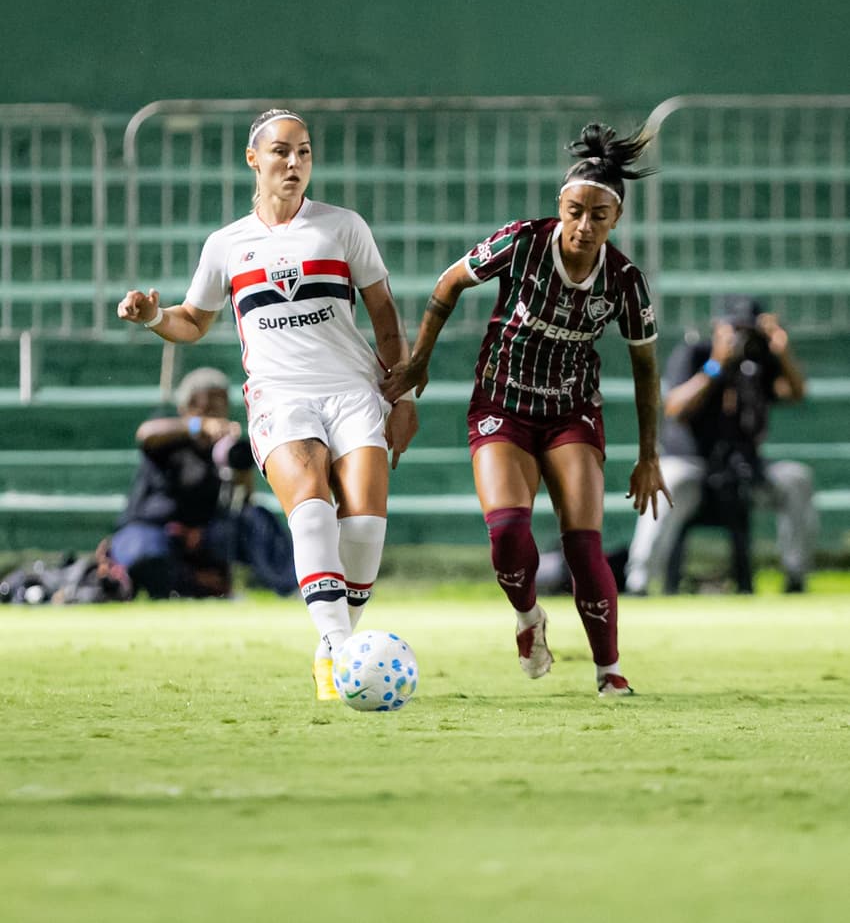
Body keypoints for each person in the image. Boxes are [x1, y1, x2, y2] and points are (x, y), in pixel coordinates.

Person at [117, 109, 418, 699]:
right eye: (282, 151)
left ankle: (335, 642)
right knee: (311, 510)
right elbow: (193, 320)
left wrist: (401, 396)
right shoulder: (227, 244)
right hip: (281, 397)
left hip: (354, 391)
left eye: (304, 152)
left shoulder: (343, 227)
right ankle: (338, 653)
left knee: (363, 527)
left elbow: (385, 320)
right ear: (254, 159)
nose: (295, 163)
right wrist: (154, 315)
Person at [382, 122, 671, 697]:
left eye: (598, 216)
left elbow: (645, 368)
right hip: (502, 404)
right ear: (559, 206)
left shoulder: (625, 282)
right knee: (509, 532)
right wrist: (418, 361)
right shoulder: (522, 242)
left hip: (571, 414)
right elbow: (449, 282)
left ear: (615, 220)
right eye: (574, 210)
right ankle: (528, 618)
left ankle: (609, 671)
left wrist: (648, 456)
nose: (583, 226)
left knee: (584, 545)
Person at [624, 296, 816, 595]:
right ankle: (639, 582)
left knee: (796, 480)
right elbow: (673, 407)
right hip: (692, 466)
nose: (742, 337)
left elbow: (796, 393)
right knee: (667, 481)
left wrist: (782, 351)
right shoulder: (695, 353)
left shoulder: (761, 360)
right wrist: (716, 366)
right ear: (719, 327)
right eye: (735, 329)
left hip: (745, 468)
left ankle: (795, 578)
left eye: (748, 330)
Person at [108, 366, 297, 599]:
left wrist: (239, 464)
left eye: (220, 409)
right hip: (154, 527)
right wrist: (198, 426)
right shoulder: (168, 433)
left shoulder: (223, 448)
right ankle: (191, 585)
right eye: (206, 409)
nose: (214, 416)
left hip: (203, 532)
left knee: (257, 519)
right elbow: (146, 434)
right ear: (185, 408)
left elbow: (244, 499)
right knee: (145, 553)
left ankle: (291, 587)